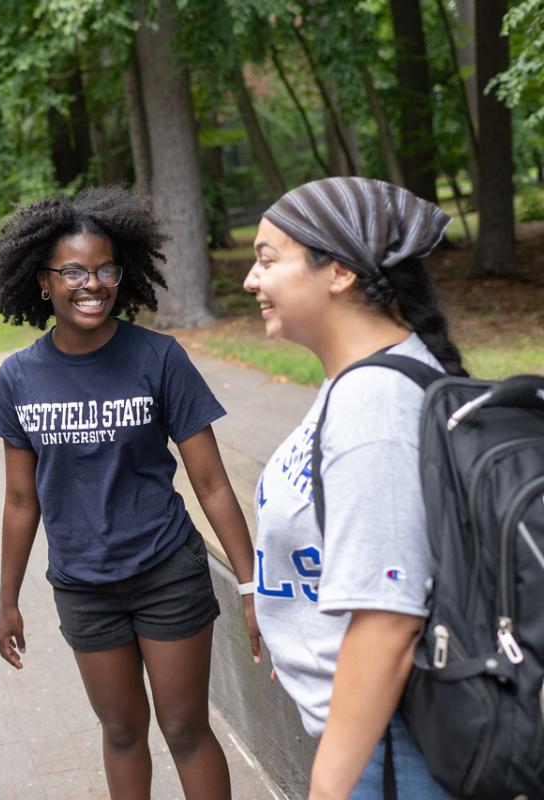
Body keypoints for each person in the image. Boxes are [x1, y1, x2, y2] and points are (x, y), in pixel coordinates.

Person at [0, 187, 259, 799]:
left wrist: (249, 583)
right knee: (122, 730)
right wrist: (7, 600)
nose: (93, 284)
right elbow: (22, 501)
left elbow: (210, 481)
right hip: (83, 583)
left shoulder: (158, 357)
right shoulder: (20, 378)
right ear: (43, 282)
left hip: (165, 570)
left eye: (105, 268)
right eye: (73, 271)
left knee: (184, 728)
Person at [243, 177, 462, 800]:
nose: (250, 281)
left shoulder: (376, 403)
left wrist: (328, 788)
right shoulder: (358, 382)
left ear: (337, 272)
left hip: (390, 746)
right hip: (379, 738)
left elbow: (388, 624)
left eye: (267, 260)